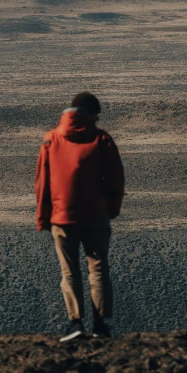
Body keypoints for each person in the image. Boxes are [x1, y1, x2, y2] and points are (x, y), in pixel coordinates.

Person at [35, 91, 125, 341]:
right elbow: (116, 179)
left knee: (70, 271)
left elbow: (42, 183)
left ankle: (75, 323)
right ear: (92, 115)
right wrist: (112, 209)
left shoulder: (51, 140)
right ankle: (99, 324)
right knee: (98, 268)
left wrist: (42, 217)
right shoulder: (102, 139)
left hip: (62, 218)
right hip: (96, 217)